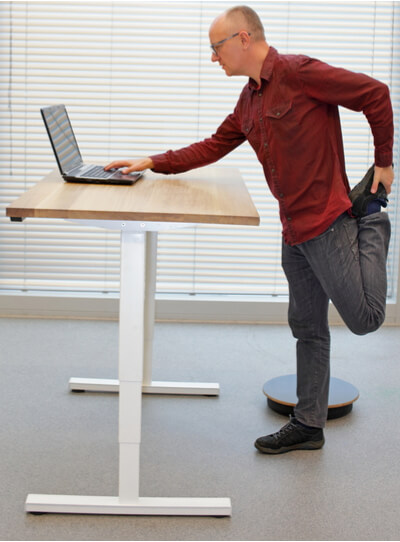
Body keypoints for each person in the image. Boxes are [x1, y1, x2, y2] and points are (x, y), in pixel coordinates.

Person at [105, 6, 394, 454]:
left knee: (365, 319)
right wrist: (152, 161)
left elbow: (374, 94)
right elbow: (213, 145)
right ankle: (309, 423)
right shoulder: (250, 100)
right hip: (293, 230)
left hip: (329, 224)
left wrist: (383, 163)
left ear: (243, 39)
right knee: (307, 326)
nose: (213, 58)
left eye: (215, 48)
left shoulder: (298, 72)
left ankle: (372, 216)